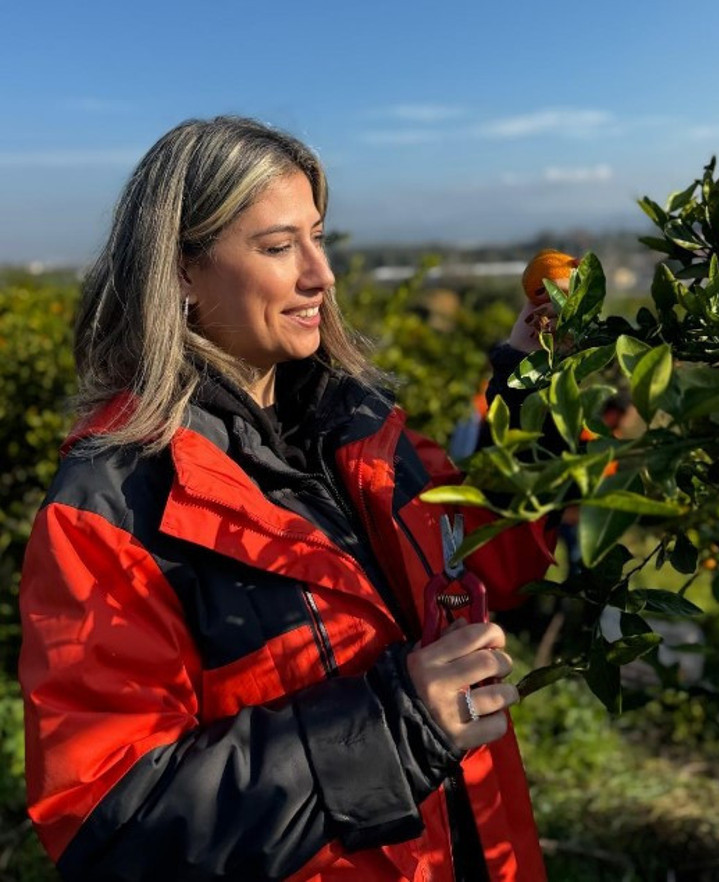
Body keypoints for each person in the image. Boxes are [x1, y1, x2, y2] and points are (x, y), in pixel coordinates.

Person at [18, 116, 556, 882]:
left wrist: (536, 388)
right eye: (277, 247)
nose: (321, 274)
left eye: (318, 238)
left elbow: (488, 560)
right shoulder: (114, 508)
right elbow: (113, 828)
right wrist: (393, 729)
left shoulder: (361, 428)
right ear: (181, 271)